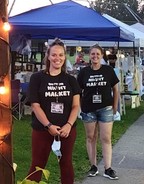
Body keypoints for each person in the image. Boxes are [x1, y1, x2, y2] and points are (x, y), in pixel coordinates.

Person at [26, 38, 81, 184]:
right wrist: (48, 125)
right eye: (54, 55)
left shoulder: (71, 80)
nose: (58, 58)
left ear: (65, 57)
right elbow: (35, 105)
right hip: (42, 129)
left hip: (66, 130)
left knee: (66, 164)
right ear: (48, 56)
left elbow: (76, 106)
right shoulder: (37, 78)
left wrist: (69, 124)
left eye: (61, 55)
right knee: (37, 165)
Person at [77, 44, 119, 180]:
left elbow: (116, 89)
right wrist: (79, 108)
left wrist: (115, 106)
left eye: (98, 54)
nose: (95, 56)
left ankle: (108, 168)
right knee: (91, 137)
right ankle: (93, 166)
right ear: (90, 55)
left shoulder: (108, 70)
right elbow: (78, 92)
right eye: (93, 54)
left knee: (106, 138)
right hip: (88, 109)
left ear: (101, 56)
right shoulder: (84, 72)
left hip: (105, 107)